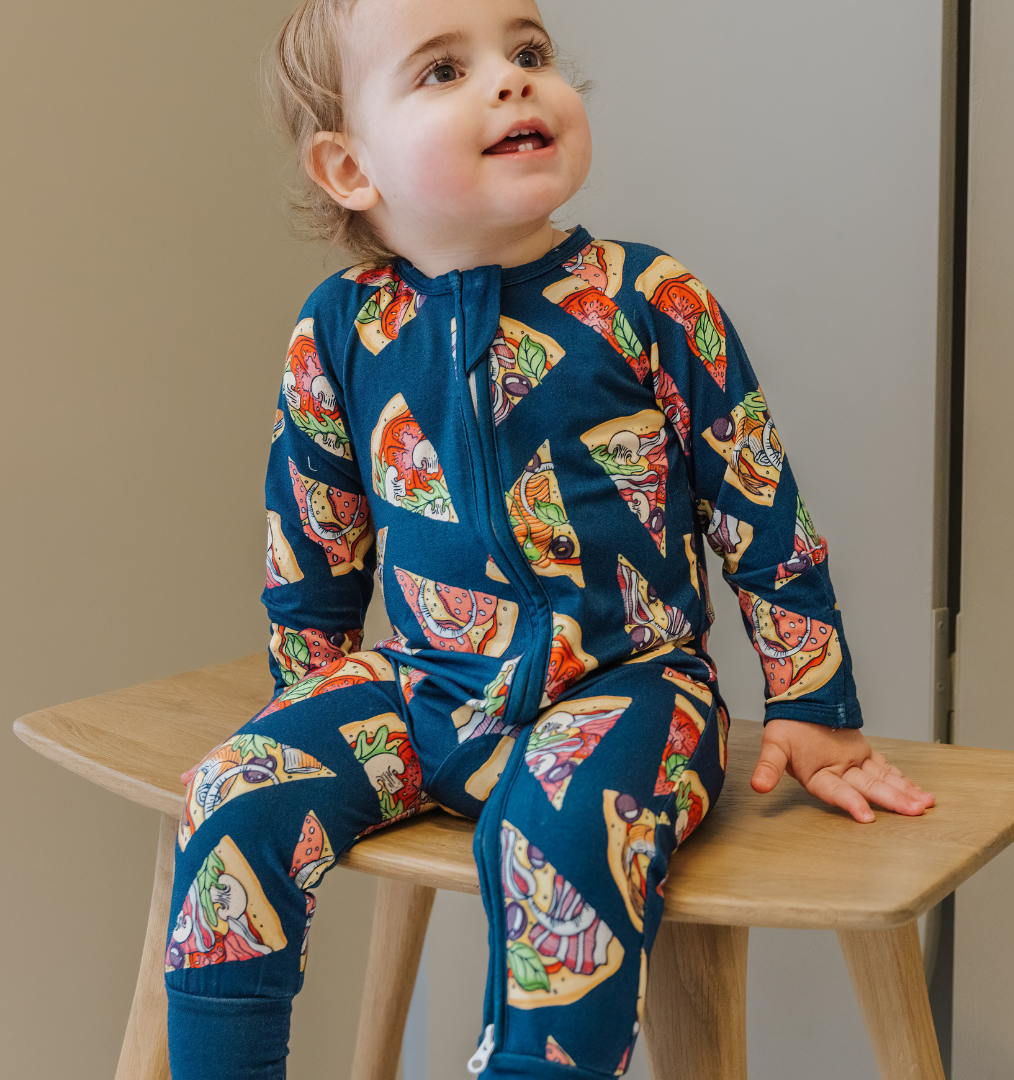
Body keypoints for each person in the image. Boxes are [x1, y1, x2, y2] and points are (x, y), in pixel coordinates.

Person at [166, 1, 935, 1076]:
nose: (512, 78)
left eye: (527, 50)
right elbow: (313, 534)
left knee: (554, 841)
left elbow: (763, 514)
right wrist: (307, 699)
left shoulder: (651, 300)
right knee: (230, 791)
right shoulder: (337, 329)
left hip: (632, 688)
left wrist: (815, 706)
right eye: (443, 70)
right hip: (427, 683)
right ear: (349, 167)